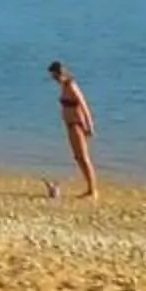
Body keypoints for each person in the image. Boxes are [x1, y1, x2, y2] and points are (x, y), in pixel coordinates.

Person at [47, 61, 99, 200]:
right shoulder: (64, 86)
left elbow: (84, 105)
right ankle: (89, 188)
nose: (54, 79)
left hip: (77, 124)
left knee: (84, 157)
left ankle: (93, 191)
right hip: (70, 125)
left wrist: (90, 126)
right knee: (78, 157)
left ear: (60, 74)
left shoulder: (71, 85)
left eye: (54, 76)